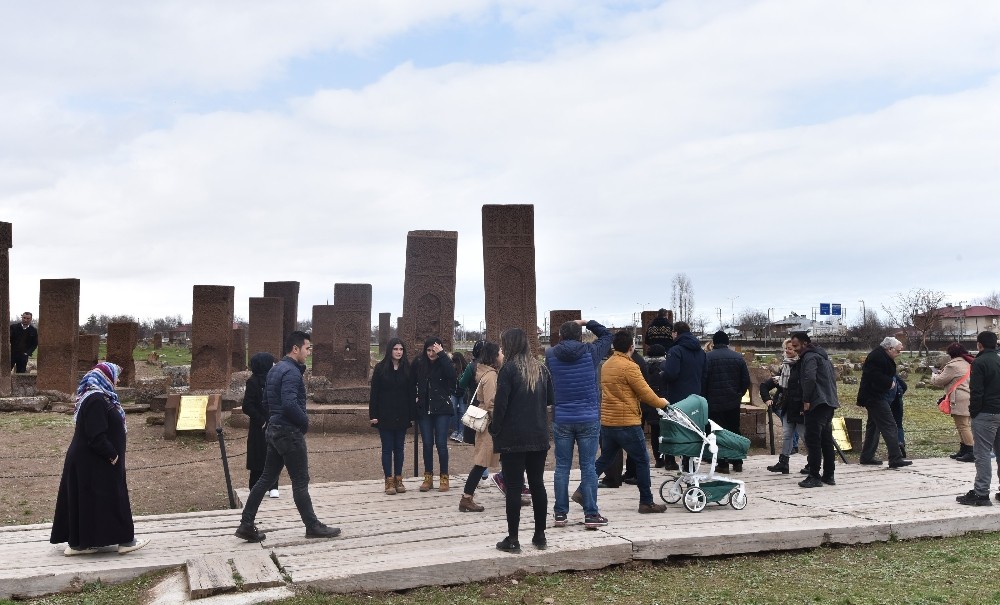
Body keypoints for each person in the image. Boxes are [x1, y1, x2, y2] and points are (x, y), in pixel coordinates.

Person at [235, 331, 340, 542]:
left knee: (266, 478)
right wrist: (304, 421)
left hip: (274, 429)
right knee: (300, 481)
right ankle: (312, 526)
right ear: (296, 348)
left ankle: (246, 524)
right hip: (289, 432)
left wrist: (273, 419)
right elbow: (290, 403)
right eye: (307, 348)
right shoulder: (291, 372)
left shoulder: (275, 370)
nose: (308, 352)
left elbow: (266, 402)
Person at [50, 362, 149, 555]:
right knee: (112, 497)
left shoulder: (99, 397)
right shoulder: (95, 398)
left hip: (90, 460)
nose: (118, 380)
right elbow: (96, 434)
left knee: (89, 500)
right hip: (94, 460)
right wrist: (112, 455)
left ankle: (81, 543)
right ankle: (125, 541)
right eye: (115, 375)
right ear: (106, 377)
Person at [583, 330, 669, 514]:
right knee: (642, 460)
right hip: (627, 422)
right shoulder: (630, 367)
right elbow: (645, 393)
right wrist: (663, 403)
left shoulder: (607, 365)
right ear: (631, 347)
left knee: (604, 459)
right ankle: (646, 501)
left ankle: (583, 491)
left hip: (608, 421)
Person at [546, 319, 613, 529]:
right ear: (581, 335)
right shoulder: (590, 352)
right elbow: (607, 336)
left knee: (562, 467)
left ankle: (560, 514)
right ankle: (591, 514)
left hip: (563, 417)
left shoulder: (550, 355)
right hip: (588, 417)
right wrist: (588, 322)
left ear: (561, 336)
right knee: (588, 467)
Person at [491, 328, 553, 553]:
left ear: (509, 345)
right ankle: (540, 536)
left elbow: (501, 405)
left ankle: (513, 539)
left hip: (513, 437)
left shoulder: (508, 370)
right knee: (537, 485)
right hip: (538, 434)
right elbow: (550, 400)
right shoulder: (541, 369)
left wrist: (494, 429)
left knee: (515, 487)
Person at [956, 330, 1000, 506]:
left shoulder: (979, 362)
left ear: (979, 344)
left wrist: (974, 412)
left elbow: (976, 391)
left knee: (982, 454)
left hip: (986, 413)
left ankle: (981, 493)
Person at [791, 332, 840, 488]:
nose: (794, 349)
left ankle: (814, 475)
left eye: (796, 346)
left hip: (816, 403)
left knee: (813, 441)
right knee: (826, 440)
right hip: (829, 402)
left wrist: (806, 400)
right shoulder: (823, 357)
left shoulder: (810, 357)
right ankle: (829, 475)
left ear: (805, 343)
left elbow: (809, 379)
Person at [458, 342, 502, 512]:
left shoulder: (485, 372)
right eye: (500, 351)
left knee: (494, 460)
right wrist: (498, 422)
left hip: (487, 423)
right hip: (490, 425)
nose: (502, 354)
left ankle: (515, 491)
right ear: (493, 356)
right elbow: (492, 403)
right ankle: (466, 498)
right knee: (481, 463)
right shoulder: (491, 376)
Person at [857, 337, 912, 468]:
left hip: (875, 396)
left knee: (873, 426)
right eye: (898, 351)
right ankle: (895, 458)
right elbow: (873, 375)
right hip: (875, 397)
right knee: (890, 426)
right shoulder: (877, 357)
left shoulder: (880, 355)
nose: (899, 354)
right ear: (890, 348)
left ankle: (867, 456)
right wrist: (889, 383)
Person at [411, 336, 457, 492]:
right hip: (425, 408)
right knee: (427, 444)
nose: (431, 353)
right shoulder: (419, 363)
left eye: (434, 350)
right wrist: (415, 396)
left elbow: (452, 376)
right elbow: (411, 381)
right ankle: (428, 477)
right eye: (429, 350)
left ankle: (444, 477)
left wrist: (442, 355)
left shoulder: (444, 362)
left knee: (441, 445)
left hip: (441, 408)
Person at [701, 331, 751, 473]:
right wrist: (738, 395)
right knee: (734, 430)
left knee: (717, 432)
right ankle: (737, 461)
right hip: (732, 401)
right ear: (728, 342)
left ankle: (722, 463)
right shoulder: (738, 358)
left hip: (713, 402)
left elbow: (703, 380)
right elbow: (745, 381)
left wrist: (705, 397)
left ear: (714, 342)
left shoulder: (707, 358)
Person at [660, 321, 706, 471]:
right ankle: (688, 462)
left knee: (673, 428)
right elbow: (705, 374)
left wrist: (663, 374)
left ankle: (670, 460)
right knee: (692, 430)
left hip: (677, 396)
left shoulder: (676, 350)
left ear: (675, 333)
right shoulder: (701, 352)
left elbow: (672, 373)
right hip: (695, 396)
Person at [369, 338, 412, 496]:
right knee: (387, 448)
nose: (399, 352)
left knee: (399, 448)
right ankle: (388, 480)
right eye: (396, 349)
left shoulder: (406, 368)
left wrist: (411, 414)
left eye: (401, 349)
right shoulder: (380, 368)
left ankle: (398, 478)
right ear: (390, 350)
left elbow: (410, 393)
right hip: (384, 414)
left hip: (401, 413)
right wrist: (373, 414)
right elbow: (374, 393)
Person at [761, 338, 805, 474]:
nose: (787, 351)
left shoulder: (801, 365)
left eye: (791, 349)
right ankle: (783, 462)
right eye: (786, 348)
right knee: (787, 434)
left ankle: (812, 463)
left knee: (805, 435)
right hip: (786, 405)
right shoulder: (784, 367)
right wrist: (767, 399)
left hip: (799, 406)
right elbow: (766, 385)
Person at [931, 343, 976, 463]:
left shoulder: (952, 366)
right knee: (963, 425)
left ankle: (971, 451)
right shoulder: (968, 362)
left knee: (962, 426)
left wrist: (934, 374)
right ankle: (964, 449)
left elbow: (939, 381)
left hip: (960, 398)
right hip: (969, 396)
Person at [242, 352, 279, 497]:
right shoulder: (253, 382)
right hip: (259, 426)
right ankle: (255, 486)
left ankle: (273, 486)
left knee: (274, 455)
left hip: (273, 423)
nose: (274, 365)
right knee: (258, 457)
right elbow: (247, 405)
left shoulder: (274, 381)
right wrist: (261, 420)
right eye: (271, 363)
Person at [642, 344, 669, 468]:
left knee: (654, 431)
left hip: (649, 401)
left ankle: (658, 460)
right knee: (667, 431)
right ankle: (669, 459)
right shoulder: (666, 365)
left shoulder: (644, 366)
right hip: (664, 400)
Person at [449, 351, 467, 443]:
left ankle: (461, 432)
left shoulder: (464, 369)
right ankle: (456, 430)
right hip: (454, 392)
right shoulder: (452, 370)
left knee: (462, 412)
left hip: (462, 393)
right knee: (453, 411)